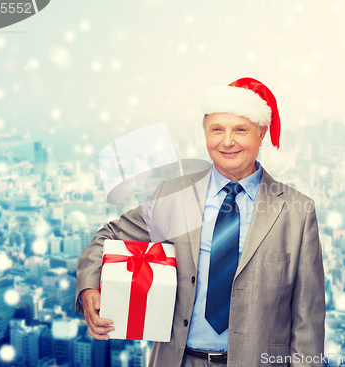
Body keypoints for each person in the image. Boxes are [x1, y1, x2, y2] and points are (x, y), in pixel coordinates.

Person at [75, 77, 325, 367]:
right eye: (217, 129)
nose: (227, 141)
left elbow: (308, 320)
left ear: (262, 133)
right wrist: (90, 286)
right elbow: (109, 235)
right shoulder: (175, 195)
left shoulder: (296, 212)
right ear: (205, 133)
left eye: (240, 130)